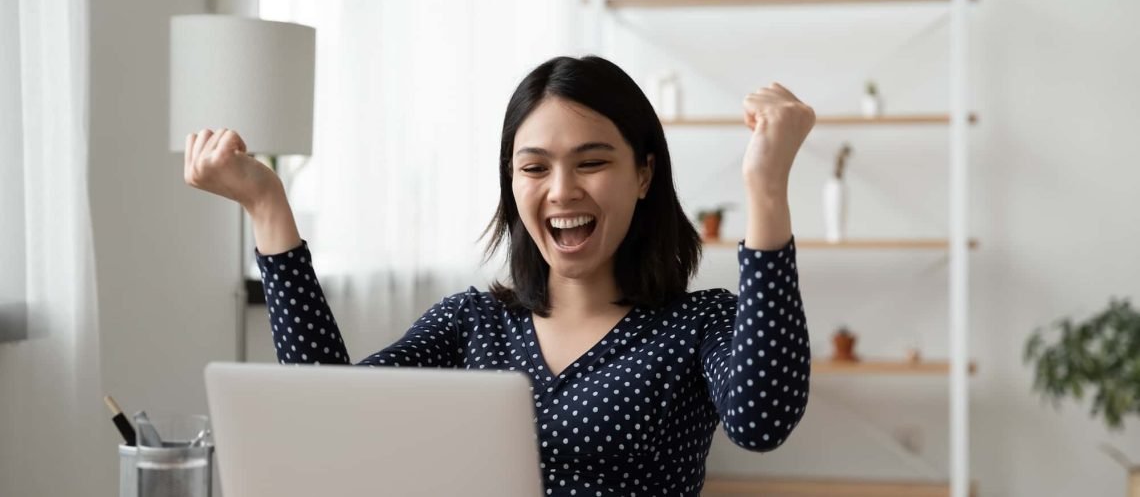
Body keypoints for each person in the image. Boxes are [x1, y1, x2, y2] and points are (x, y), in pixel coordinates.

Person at [184, 55, 814, 497]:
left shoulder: (697, 323)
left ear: (644, 174)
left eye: (592, 162)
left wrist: (766, 189)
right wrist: (267, 206)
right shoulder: (472, 323)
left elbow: (762, 423)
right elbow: (325, 413)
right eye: (534, 168)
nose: (562, 190)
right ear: (512, 185)